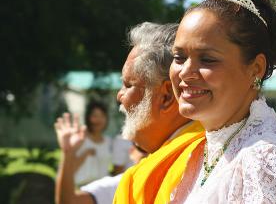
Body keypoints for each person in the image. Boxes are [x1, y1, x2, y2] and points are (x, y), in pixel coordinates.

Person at [169, 0, 276, 203]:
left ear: (255, 68)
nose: (186, 72)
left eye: (207, 59)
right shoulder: (207, 151)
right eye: (179, 57)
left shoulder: (266, 159)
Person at [55, 22, 204, 204]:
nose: (119, 96)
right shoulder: (211, 147)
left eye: (128, 85)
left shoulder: (205, 160)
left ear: (165, 96)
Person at [74, 100, 112, 186]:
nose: (98, 120)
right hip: (82, 188)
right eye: (95, 116)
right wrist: (85, 154)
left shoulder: (108, 141)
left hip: (103, 190)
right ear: (88, 118)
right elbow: (70, 166)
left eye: (102, 116)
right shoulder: (80, 140)